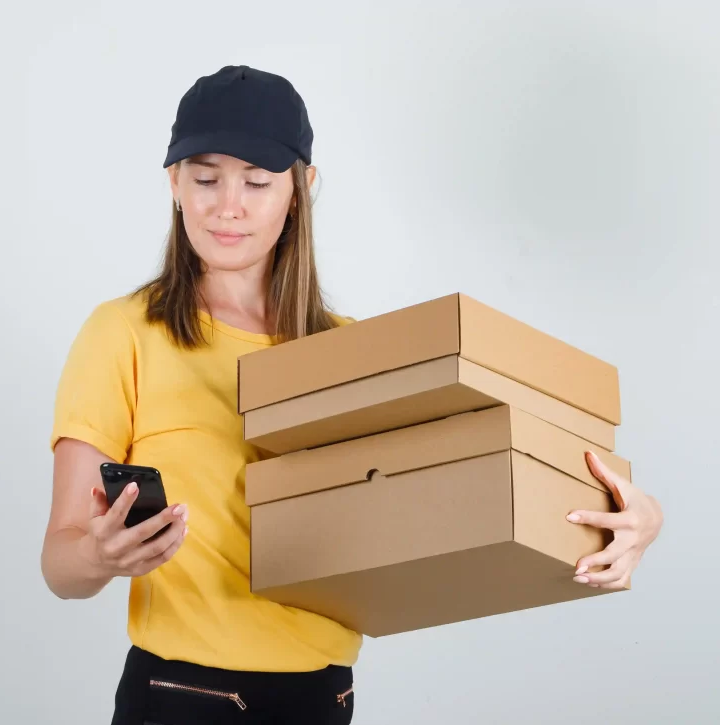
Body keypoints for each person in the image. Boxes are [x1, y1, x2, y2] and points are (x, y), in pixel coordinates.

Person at [40, 65, 664, 725]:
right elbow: (60, 561)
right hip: (180, 698)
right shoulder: (124, 334)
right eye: (205, 178)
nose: (229, 205)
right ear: (173, 183)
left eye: (256, 181)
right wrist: (99, 554)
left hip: (322, 698)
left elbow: (479, 478)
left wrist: (632, 516)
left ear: (301, 189)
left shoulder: (359, 357)